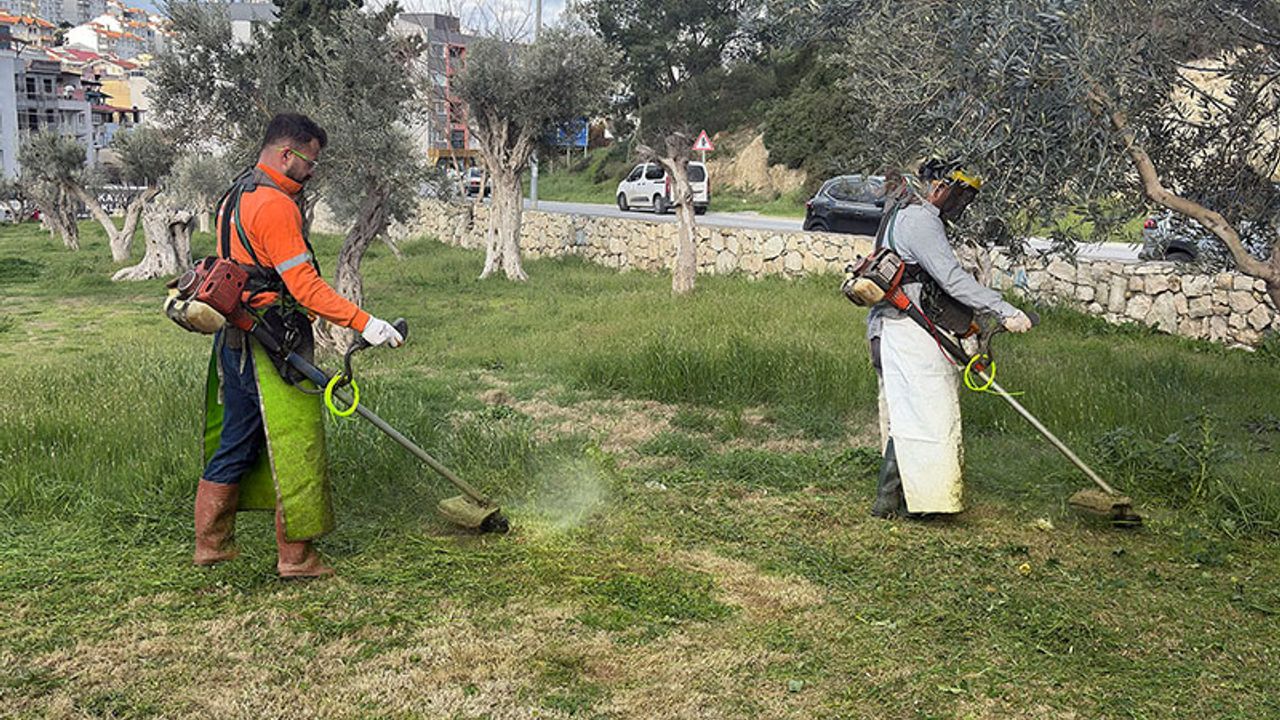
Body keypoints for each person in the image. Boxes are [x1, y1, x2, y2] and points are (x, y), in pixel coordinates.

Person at [194, 113, 405, 578]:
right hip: (274, 343)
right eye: (310, 161)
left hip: (236, 338)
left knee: (236, 440)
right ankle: (297, 557)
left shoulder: (236, 194)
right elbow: (305, 287)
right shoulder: (274, 205)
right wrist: (365, 323)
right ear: (286, 154)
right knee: (298, 446)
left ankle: (211, 544)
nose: (312, 171)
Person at [867, 159, 1034, 518]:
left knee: (907, 416)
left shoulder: (899, 212)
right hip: (910, 333)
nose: (960, 204)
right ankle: (921, 503)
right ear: (939, 187)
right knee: (930, 416)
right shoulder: (921, 220)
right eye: (959, 194)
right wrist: (1004, 310)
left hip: (890, 328)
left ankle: (892, 500)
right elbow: (952, 279)